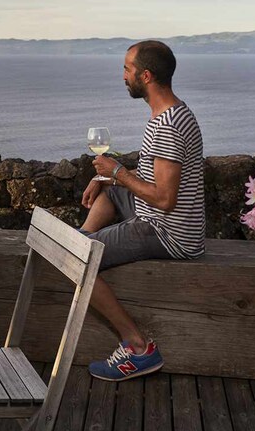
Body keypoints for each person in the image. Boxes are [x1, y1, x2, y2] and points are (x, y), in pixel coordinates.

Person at [82, 40, 205, 382]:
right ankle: (85, 240)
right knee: (108, 197)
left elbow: (165, 199)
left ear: (146, 76)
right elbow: (150, 180)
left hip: (167, 231)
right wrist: (106, 178)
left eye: (127, 69)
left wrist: (117, 173)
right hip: (159, 216)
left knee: (76, 260)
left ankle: (138, 348)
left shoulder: (167, 126)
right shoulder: (172, 112)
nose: (123, 76)